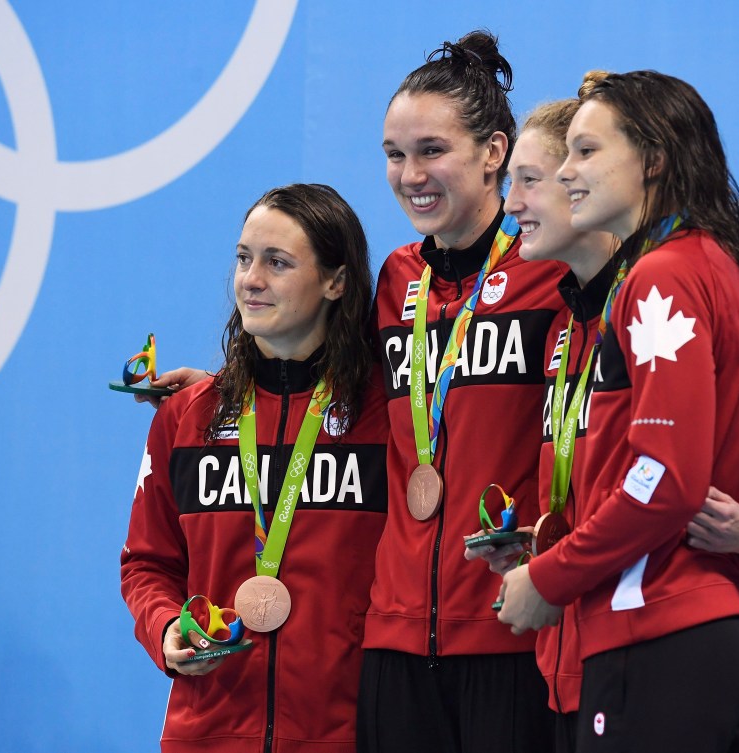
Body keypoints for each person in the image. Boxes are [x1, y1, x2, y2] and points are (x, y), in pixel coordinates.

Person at [472, 83, 739, 752]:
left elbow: (663, 477)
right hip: (717, 642)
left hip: (650, 639)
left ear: (653, 160)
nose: (566, 171)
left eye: (585, 150)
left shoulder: (660, 277)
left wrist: (548, 575)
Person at [120, 183, 389, 753]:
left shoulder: (384, 419)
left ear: (336, 282)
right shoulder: (187, 419)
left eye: (278, 262)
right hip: (207, 733)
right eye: (244, 258)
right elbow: (146, 562)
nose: (251, 279)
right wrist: (167, 625)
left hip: (343, 734)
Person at [357, 30, 561, 753]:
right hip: (393, 643)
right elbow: (321, 383)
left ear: (494, 152)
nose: (409, 173)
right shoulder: (391, 280)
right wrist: (215, 391)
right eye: (393, 154)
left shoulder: (550, 272)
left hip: (511, 631)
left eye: (430, 150)